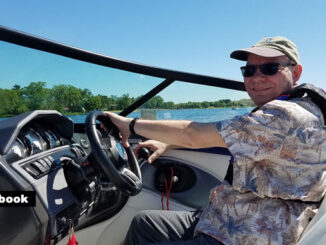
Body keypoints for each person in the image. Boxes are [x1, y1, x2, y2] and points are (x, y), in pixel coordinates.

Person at [105, 36, 326, 245]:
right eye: (248, 70)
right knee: (144, 224)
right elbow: (228, 135)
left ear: (296, 73)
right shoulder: (291, 110)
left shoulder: (285, 115)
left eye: (270, 68)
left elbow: (194, 134)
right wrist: (168, 143)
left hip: (246, 235)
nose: (256, 78)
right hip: (228, 218)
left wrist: (131, 125)